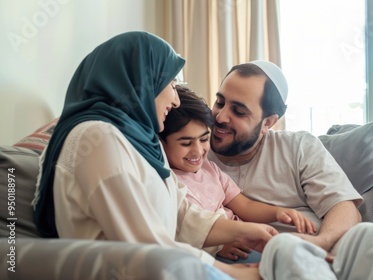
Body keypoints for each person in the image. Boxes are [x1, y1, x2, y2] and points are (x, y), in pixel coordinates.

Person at [31, 32, 279, 280]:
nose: (176, 99)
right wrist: (226, 271)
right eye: (171, 84)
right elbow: (142, 243)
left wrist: (245, 231)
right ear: (139, 80)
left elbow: (182, 216)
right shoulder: (96, 138)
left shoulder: (145, 142)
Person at [207, 60, 373, 279]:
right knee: (286, 247)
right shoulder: (189, 153)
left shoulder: (297, 146)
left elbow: (344, 207)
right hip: (268, 263)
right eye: (219, 102)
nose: (221, 117)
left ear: (268, 123)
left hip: (321, 253)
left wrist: (320, 242)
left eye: (239, 111)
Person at [158, 85, 317, 263]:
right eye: (186, 143)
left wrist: (278, 212)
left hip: (245, 242)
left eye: (204, 139)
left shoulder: (211, 170)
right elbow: (178, 232)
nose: (197, 151)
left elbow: (246, 206)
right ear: (161, 143)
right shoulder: (166, 183)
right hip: (216, 255)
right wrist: (218, 247)